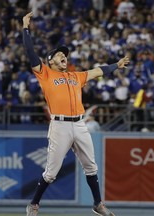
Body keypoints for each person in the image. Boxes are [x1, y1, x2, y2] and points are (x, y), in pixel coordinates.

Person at [22, 12, 129, 216]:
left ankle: (98, 204)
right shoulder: (45, 73)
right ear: (51, 61)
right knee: (51, 173)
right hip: (60, 126)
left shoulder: (75, 76)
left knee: (91, 166)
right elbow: (29, 51)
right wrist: (25, 27)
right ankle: (34, 204)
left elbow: (98, 71)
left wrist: (117, 65)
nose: (64, 56)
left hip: (79, 124)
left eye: (65, 54)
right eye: (60, 55)